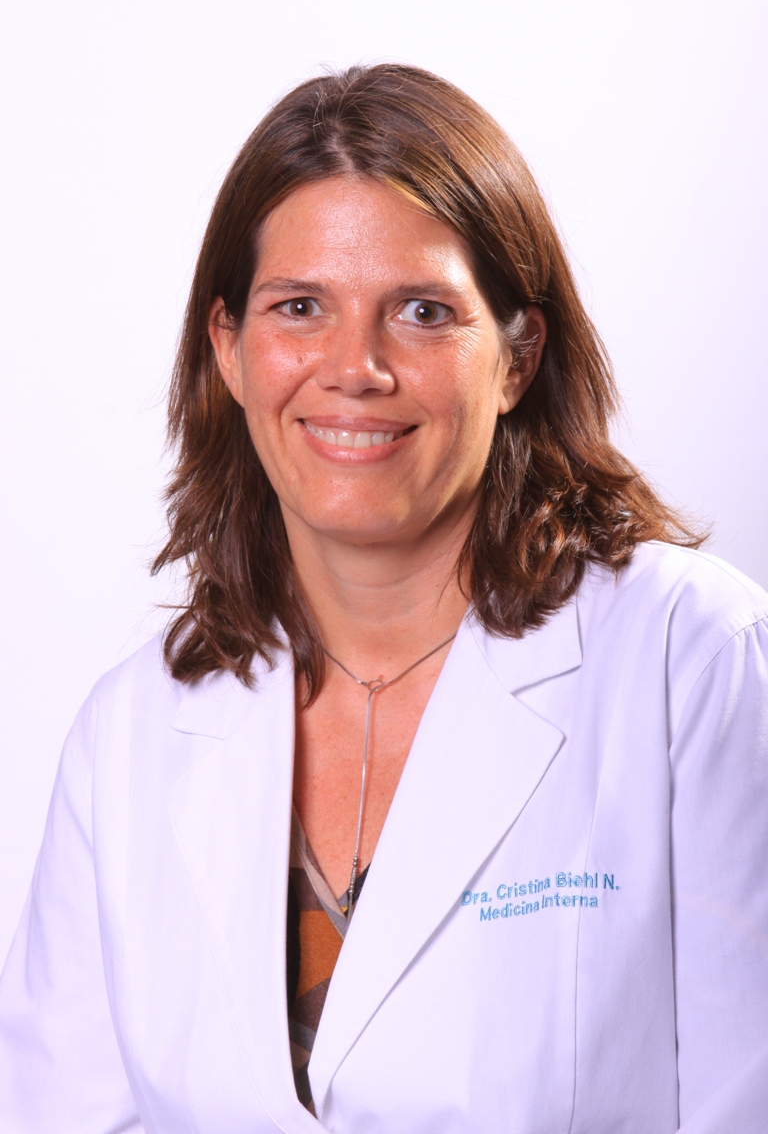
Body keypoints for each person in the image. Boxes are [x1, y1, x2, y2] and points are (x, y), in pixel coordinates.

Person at [0, 63, 766, 1134]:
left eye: (421, 311)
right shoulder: (129, 736)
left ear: (517, 358)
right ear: (229, 349)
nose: (354, 367)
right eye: (299, 307)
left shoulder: (693, 659)